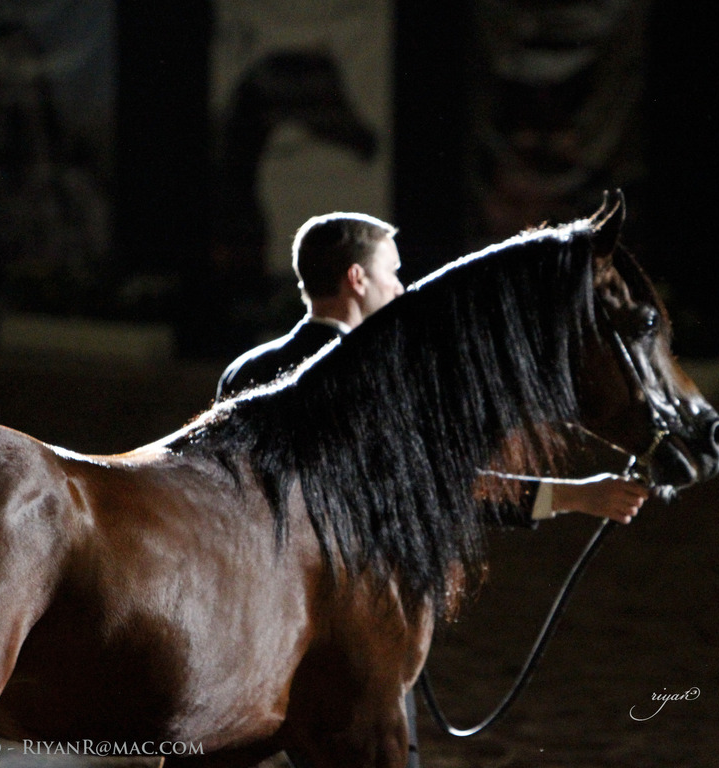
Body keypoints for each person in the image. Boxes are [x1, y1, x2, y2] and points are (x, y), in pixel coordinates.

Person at [216, 211, 648, 768]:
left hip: (249, 642)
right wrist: (575, 495)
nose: (402, 288)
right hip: (351, 636)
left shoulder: (247, 371)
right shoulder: (381, 379)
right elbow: (444, 485)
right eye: (393, 273)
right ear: (356, 279)